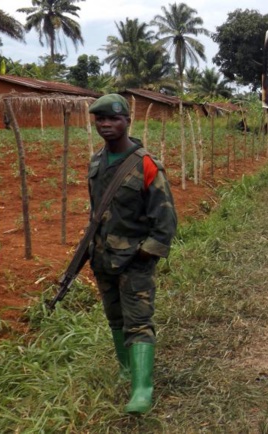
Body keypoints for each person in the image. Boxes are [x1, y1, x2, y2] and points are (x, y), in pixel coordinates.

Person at [87, 94, 177, 414]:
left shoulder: (146, 164)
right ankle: (126, 371)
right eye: (100, 120)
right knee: (115, 318)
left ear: (128, 121)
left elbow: (165, 222)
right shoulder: (96, 162)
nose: (106, 125)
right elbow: (95, 213)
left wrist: (145, 256)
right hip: (102, 258)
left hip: (135, 261)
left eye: (113, 119)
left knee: (138, 322)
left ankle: (142, 389)